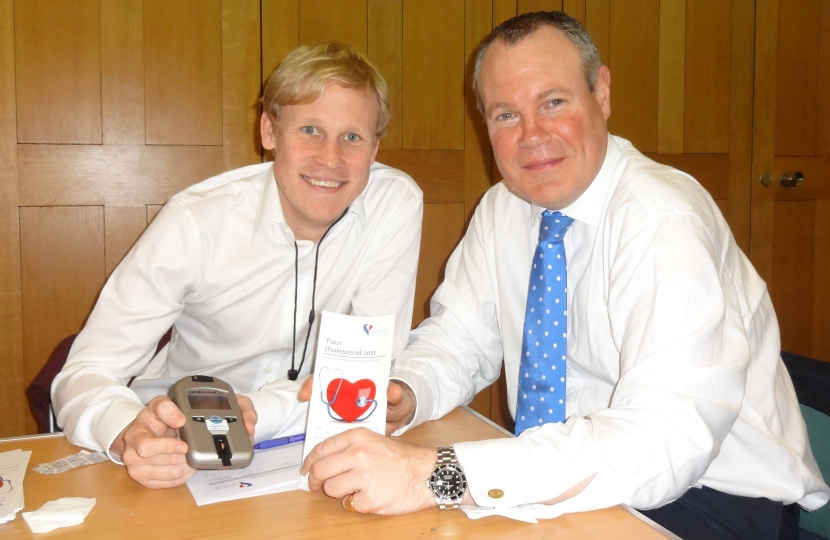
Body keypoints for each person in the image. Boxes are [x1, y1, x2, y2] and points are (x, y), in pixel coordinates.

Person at [299, 12, 829, 538]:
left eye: (553, 103)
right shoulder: (503, 208)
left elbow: (663, 441)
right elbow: (460, 339)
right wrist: (408, 389)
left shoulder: (662, 219)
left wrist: (436, 473)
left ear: (601, 94)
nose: (532, 135)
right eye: (505, 115)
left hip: (712, 494)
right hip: (569, 480)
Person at [52, 42, 423, 489]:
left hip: (309, 447)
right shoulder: (195, 221)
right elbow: (83, 374)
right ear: (269, 131)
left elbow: (367, 377)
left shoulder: (393, 205)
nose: (331, 158)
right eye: (309, 129)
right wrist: (125, 433)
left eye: (352, 137)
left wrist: (260, 412)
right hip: (179, 449)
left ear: (375, 148)